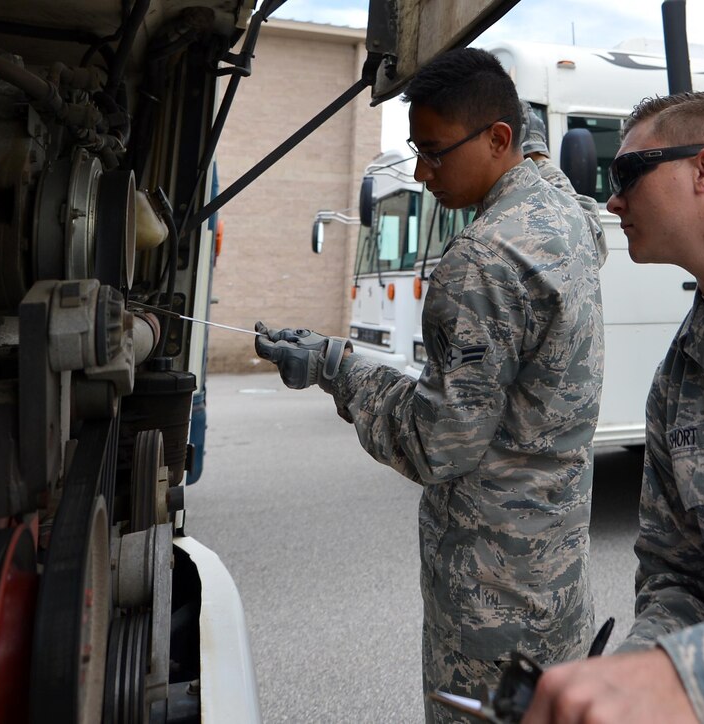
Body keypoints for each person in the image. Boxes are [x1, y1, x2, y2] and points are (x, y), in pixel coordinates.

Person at [254, 47, 605, 723]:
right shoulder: (568, 215)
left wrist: (335, 364)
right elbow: (529, 137)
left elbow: (436, 443)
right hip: (557, 579)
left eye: (435, 151)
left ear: (498, 139)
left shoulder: (480, 263)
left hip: (490, 602)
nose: (420, 172)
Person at [522, 89, 704, 723]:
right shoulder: (679, 377)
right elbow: (679, 578)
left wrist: (696, 678)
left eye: (627, 172)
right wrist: (633, 671)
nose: (612, 200)